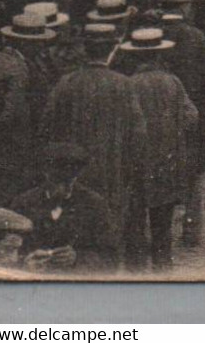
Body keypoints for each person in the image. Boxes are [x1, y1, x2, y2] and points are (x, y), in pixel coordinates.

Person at [42, 23, 150, 263]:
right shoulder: (125, 85)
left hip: (70, 174)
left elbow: (47, 128)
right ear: (113, 49)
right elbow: (138, 136)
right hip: (112, 175)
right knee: (107, 239)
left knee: (72, 235)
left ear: (84, 49)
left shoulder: (65, 83)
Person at [153, 0, 205, 248]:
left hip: (153, 119)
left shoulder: (148, 34)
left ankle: (157, 231)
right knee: (196, 176)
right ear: (185, 6)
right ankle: (191, 231)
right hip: (192, 119)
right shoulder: (194, 37)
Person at [119, 27, 196, 272]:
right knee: (163, 227)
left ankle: (137, 275)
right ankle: (164, 274)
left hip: (136, 164)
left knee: (135, 225)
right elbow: (192, 117)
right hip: (167, 162)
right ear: (159, 55)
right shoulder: (172, 82)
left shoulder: (128, 84)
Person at [0, 10, 54, 209]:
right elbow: (13, 113)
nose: (42, 46)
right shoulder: (18, 69)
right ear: (26, 42)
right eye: (38, 42)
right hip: (7, 151)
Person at [9, 143, 118, 274]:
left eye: (68, 180)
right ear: (45, 172)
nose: (61, 187)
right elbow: (4, 253)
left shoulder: (94, 204)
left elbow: (110, 257)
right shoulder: (23, 203)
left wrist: (77, 258)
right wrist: (25, 262)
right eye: (56, 179)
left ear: (77, 175)